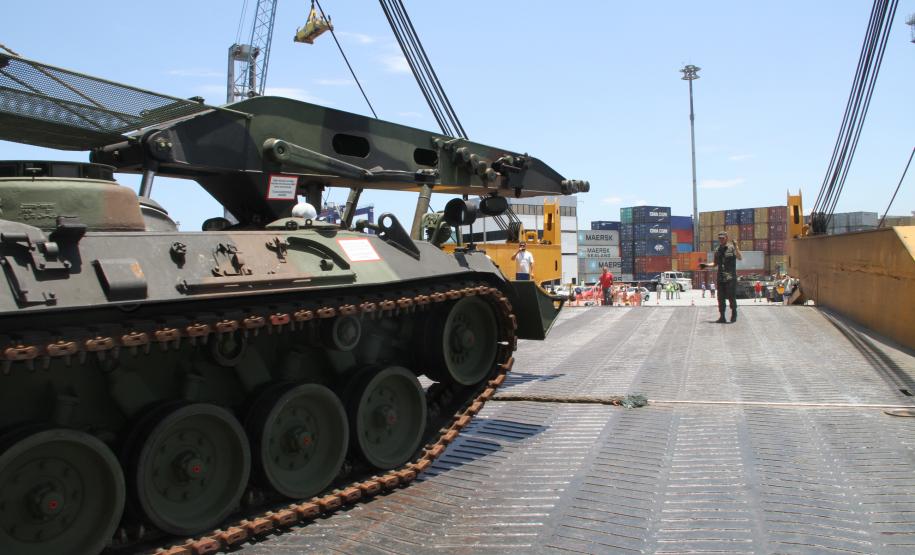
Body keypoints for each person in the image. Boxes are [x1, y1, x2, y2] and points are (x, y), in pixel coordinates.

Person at [701, 231, 742, 322]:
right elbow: (715, 263)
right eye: (719, 238)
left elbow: (740, 258)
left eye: (722, 238)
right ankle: (722, 317)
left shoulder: (732, 248)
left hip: (730, 277)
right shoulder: (717, 250)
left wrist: (736, 246)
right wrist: (706, 265)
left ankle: (734, 314)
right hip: (720, 277)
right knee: (720, 298)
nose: (721, 239)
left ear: (726, 238)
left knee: (731, 297)